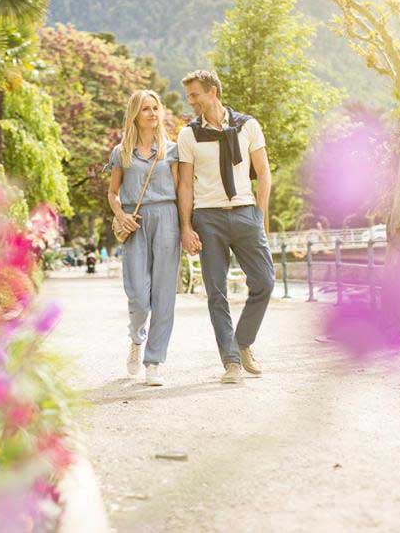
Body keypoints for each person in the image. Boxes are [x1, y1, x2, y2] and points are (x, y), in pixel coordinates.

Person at [177, 70, 275, 384]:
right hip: (208, 219)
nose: (191, 101)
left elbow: (263, 173)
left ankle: (242, 341)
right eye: (189, 96)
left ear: (213, 92)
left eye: (195, 95)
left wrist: (261, 217)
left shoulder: (248, 126)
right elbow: (185, 187)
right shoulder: (188, 134)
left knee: (265, 281)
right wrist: (186, 227)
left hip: (246, 212)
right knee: (216, 292)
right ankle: (231, 363)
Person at [107, 89, 180, 386]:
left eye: (155, 108)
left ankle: (154, 361)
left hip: (167, 218)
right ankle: (136, 340)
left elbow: (181, 190)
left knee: (164, 294)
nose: (152, 113)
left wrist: (187, 225)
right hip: (134, 222)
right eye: (146, 109)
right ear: (135, 114)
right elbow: (112, 193)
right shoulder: (121, 152)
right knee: (138, 294)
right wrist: (121, 214)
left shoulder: (172, 150)